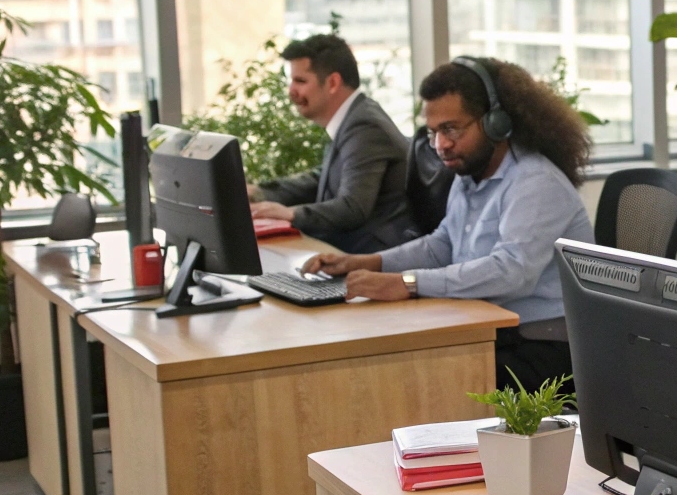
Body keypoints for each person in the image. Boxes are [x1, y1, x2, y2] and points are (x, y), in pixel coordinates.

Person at [304, 57, 595, 391]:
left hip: (546, 350)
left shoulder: (535, 182)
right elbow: (443, 244)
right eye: (433, 133)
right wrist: (368, 262)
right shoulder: (471, 174)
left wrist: (408, 283)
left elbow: (510, 272)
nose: (441, 145)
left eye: (451, 129)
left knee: (416, 381)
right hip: (491, 330)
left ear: (495, 122)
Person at [248, 34, 412, 253]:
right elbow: (322, 178)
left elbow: (353, 208)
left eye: (301, 81)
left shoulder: (364, 126)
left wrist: (291, 214)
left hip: (369, 258)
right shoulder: (355, 117)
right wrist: (259, 192)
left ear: (333, 83)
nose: (291, 92)